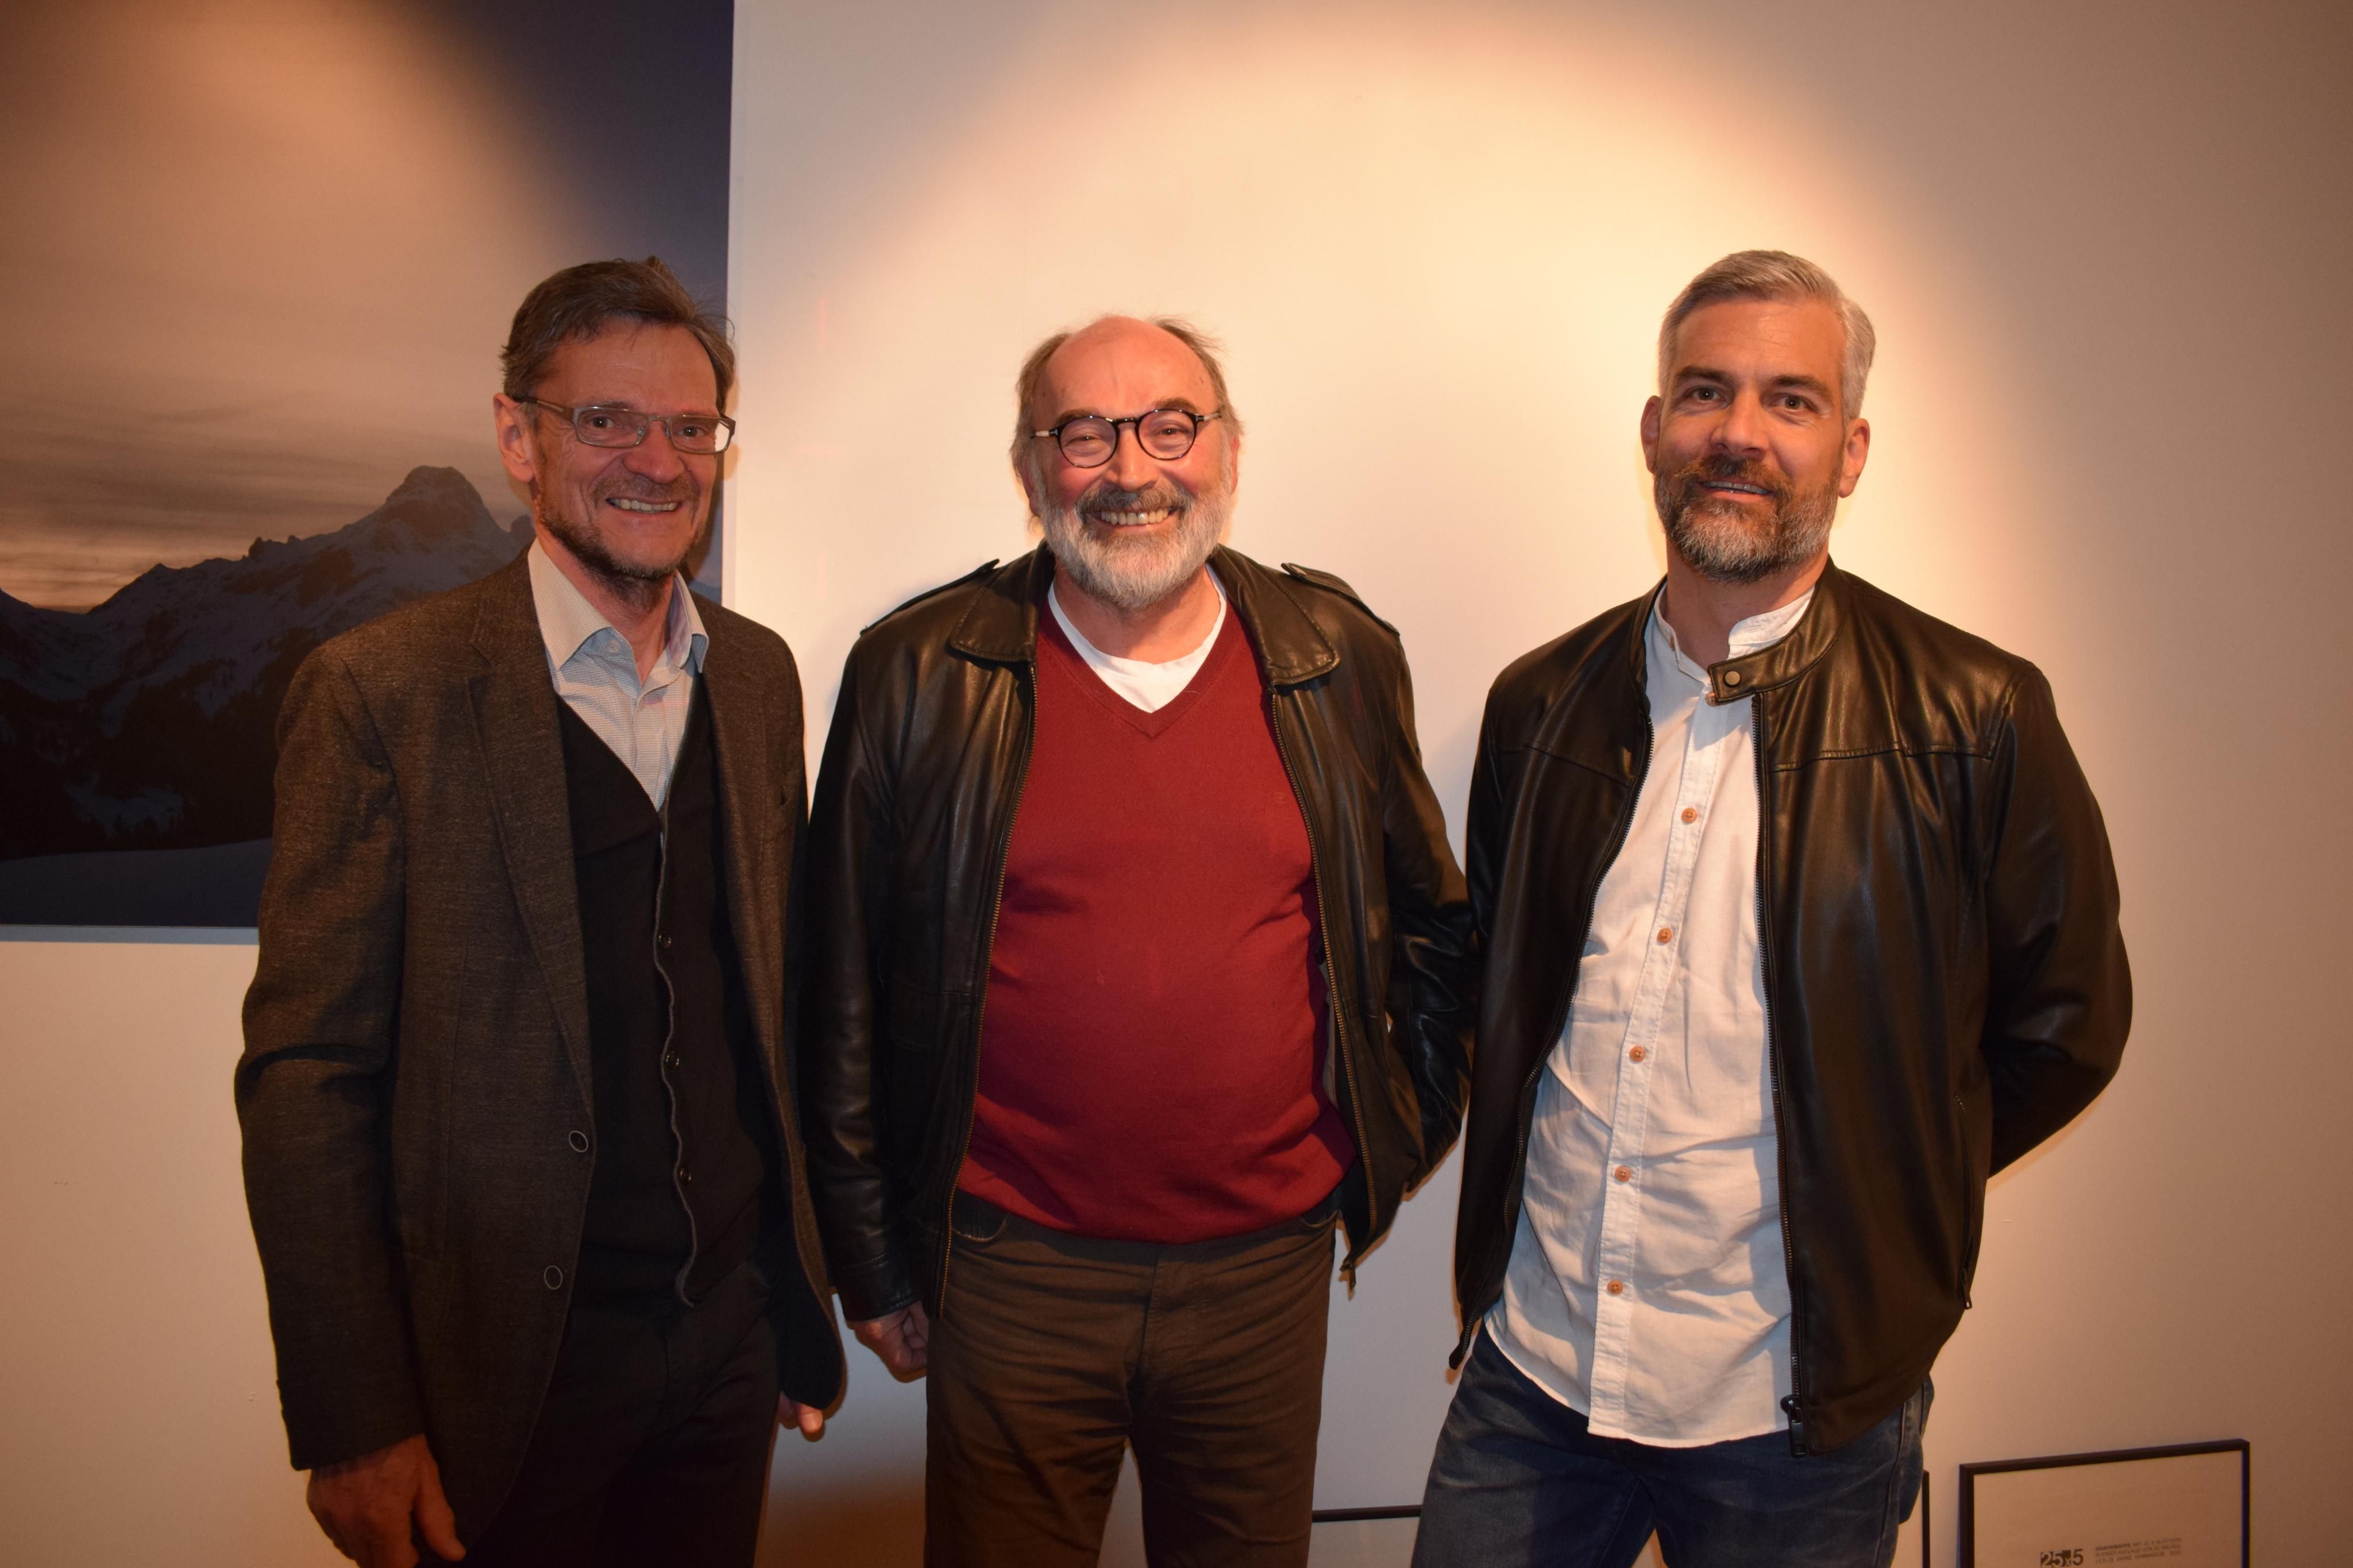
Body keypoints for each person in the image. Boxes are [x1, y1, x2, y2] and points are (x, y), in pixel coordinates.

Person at [1415, 251, 2131, 1568]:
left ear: (1848, 451)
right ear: (1653, 430)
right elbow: (1496, 1001)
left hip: (1797, 1415)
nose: (1737, 432)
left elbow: (2066, 1029)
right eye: (1704, 392)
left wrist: (1879, 1179)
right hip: (1536, 1373)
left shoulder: (1974, 717)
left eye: (1788, 400)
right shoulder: (1538, 706)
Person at [799, 314, 1477, 1566]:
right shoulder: (918, 671)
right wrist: (870, 1261)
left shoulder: (1336, 657)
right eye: (1085, 434)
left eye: (1170, 427)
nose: (1130, 470)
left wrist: (1381, 1137)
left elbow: (1435, 931)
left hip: (1262, 1278)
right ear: (1029, 466)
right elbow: (836, 985)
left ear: (1227, 451)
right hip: (1010, 1269)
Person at [237, 257, 842, 1568]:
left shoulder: (756, 676)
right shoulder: (381, 692)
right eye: (607, 420)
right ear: (519, 438)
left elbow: (772, 1004)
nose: (657, 461)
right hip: (503, 1378)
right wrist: (354, 1418)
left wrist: (792, 1303)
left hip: (724, 1352)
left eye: (690, 427)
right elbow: (309, 1075)